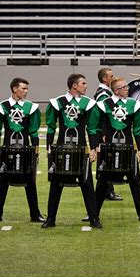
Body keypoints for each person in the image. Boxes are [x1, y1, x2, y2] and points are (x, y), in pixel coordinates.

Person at [42, 73, 102, 229]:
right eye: (83, 83)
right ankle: (50, 219)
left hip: (82, 149)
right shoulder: (57, 102)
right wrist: (49, 147)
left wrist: (94, 148)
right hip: (61, 148)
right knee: (56, 184)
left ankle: (94, 218)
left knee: (87, 183)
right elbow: (51, 127)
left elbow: (93, 128)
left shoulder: (88, 103)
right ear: (74, 86)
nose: (86, 86)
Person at [95, 76, 140, 222]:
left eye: (127, 87)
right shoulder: (104, 104)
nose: (127, 89)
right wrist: (96, 146)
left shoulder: (134, 104)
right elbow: (96, 127)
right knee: (103, 181)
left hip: (128, 148)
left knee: (135, 180)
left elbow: (138, 130)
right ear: (116, 91)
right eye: (124, 87)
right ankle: (93, 212)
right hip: (108, 148)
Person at [0, 77, 44, 222]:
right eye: (23, 88)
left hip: (26, 149)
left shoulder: (31, 107)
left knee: (30, 182)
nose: (26, 91)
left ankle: (35, 214)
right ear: (14, 89)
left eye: (27, 89)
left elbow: (34, 132)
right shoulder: (2, 107)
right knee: (2, 182)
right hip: (6, 150)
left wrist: (36, 153)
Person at [94, 67, 122, 201]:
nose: (113, 78)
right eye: (111, 76)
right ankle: (106, 191)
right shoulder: (103, 94)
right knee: (106, 159)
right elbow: (102, 115)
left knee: (107, 159)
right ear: (104, 78)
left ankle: (107, 189)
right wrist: (104, 133)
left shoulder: (105, 91)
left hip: (105, 131)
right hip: (105, 131)